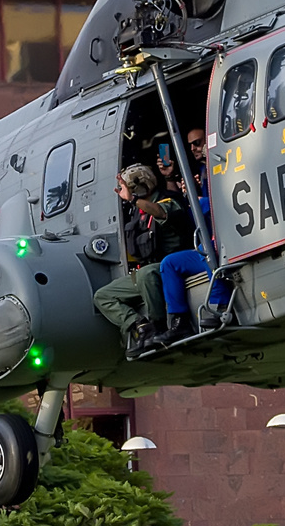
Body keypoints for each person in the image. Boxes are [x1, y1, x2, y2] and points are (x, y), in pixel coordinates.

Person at [93, 164, 190, 356]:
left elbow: (161, 212)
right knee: (103, 296)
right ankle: (140, 325)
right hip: (148, 270)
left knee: (146, 274)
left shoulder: (168, 199)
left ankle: (158, 326)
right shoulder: (137, 213)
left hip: (170, 265)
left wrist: (134, 200)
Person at [154, 129, 233, 343]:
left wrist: (197, 199)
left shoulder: (227, 162)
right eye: (191, 145)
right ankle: (179, 322)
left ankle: (219, 304)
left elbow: (220, 204)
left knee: (209, 250)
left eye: (198, 143)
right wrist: (182, 189)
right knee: (169, 264)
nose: (194, 149)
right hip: (207, 243)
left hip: (229, 239)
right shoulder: (201, 171)